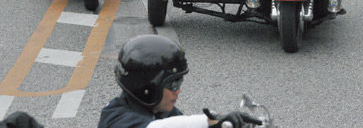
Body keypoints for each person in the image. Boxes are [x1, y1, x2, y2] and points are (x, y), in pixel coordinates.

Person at [98, 35, 260, 128]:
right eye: (172, 84)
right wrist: (207, 122)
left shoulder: (162, 111)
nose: (178, 90)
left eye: (179, 81)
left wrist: (221, 121)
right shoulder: (114, 118)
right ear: (147, 86)